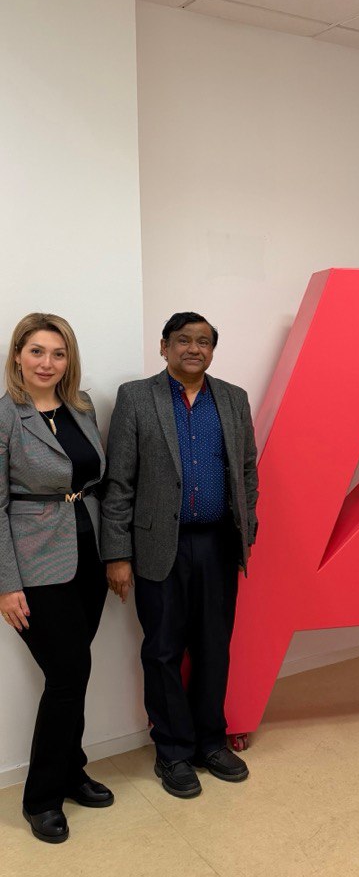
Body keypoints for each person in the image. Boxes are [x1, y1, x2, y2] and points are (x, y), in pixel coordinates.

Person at [101, 312, 258, 799]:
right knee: (163, 650)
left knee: (213, 646)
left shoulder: (232, 398)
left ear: (212, 350)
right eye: (184, 340)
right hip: (156, 547)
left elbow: (247, 470)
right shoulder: (136, 398)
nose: (194, 349)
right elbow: (119, 482)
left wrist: (247, 527)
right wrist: (117, 554)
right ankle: (172, 751)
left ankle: (210, 742)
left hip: (217, 544)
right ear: (164, 346)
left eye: (204, 342)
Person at [0, 314, 112, 844]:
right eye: (37, 351)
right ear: (18, 356)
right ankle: (42, 798)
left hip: (87, 554)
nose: (47, 363)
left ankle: (71, 771)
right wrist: (6, 584)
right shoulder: (5, 417)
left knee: (76, 672)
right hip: (34, 566)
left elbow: (97, 479)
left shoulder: (81, 406)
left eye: (58, 353)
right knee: (67, 674)